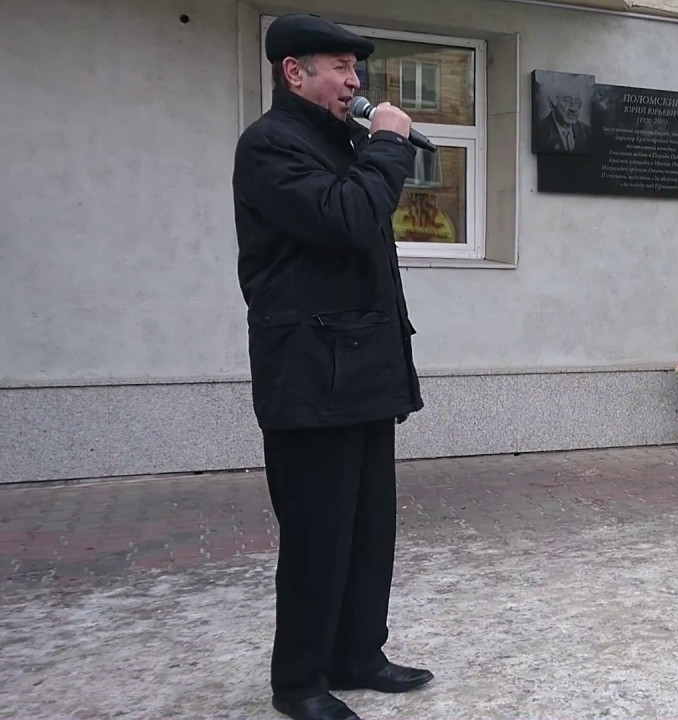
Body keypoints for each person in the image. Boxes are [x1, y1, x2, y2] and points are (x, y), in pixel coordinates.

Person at [231, 13, 430, 720]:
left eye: (356, 70)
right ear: (294, 72)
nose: (354, 82)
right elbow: (346, 219)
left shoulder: (342, 143)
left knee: (370, 528)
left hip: (364, 371)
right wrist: (387, 146)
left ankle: (357, 654)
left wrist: (375, 148)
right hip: (309, 377)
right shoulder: (270, 146)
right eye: (339, 67)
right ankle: (301, 683)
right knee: (317, 536)